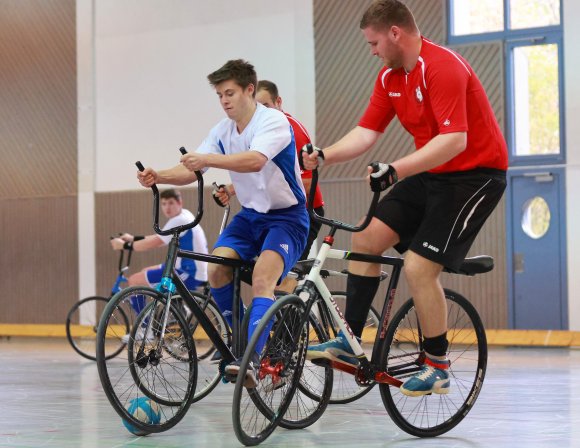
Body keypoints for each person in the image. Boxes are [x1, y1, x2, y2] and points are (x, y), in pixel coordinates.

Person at [304, 0, 507, 397]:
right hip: (433, 173)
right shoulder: (389, 78)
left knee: (417, 267)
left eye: (374, 42)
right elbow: (365, 133)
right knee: (365, 240)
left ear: (395, 33)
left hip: (475, 177)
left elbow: (454, 141)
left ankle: (437, 364)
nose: (373, 51)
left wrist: (396, 168)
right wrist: (324, 155)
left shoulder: (442, 66)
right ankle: (350, 342)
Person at [137, 59, 309, 388]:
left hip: (287, 218)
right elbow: (193, 169)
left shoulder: (273, 121)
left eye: (229, 93)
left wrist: (208, 160)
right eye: (219, 95)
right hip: (251, 217)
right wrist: (159, 175)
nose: (224, 100)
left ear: (249, 90)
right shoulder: (223, 130)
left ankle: (253, 360)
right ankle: (240, 342)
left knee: (263, 280)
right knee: (217, 270)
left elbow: (254, 160)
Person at [214, 79, 325, 293]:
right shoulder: (257, 129)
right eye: (257, 106)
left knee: (279, 278)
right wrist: (231, 188)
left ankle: (289, 320)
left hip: (303, 212)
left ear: (279, 102)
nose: (260, 111)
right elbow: (260, 171)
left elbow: (308, 182)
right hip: (269, 213)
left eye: (266, 105)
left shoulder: (289, 127)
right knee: (250, 271)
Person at [111, 188, 209, 341]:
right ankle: (179, 307)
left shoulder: (179, 220)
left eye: (171, 203)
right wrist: (133, 238)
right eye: (163, 204)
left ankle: (145, 331)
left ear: (179, 203)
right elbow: (162, 235)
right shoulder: (185, 215)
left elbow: (156, 242)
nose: (167, 207)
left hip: (188, 273)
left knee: (134, 281)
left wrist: (125, 246)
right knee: (144, 272)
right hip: (184, 269)